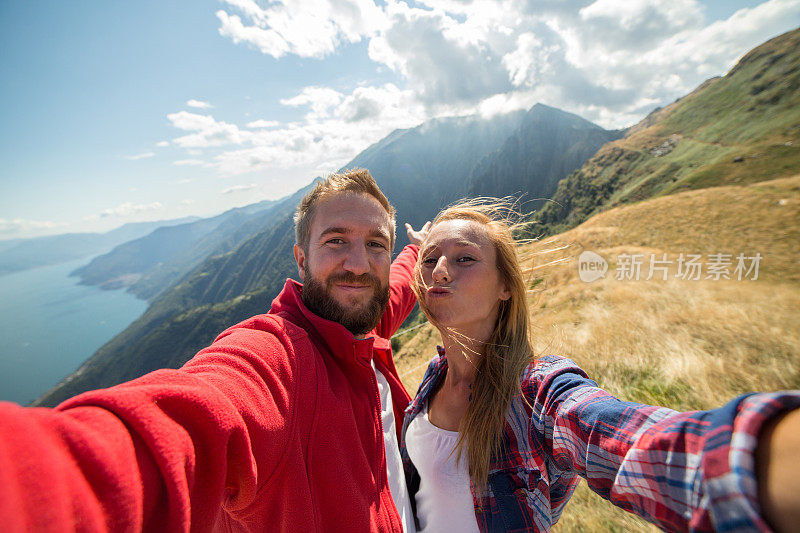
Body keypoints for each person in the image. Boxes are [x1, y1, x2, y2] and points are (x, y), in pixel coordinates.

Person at [0, 168, 430, 532]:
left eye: (376, 244)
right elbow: (189, 420)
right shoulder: (279, 359)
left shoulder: (363, 323)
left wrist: (415, 248)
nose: (358, 263)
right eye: (336, 241)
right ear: (301, 259)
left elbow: (395, 286)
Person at [400, 199, 800, 533]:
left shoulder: (536, 390)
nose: (441, 270)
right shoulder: (434, 375)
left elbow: (616, 434)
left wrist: (745, 462)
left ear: (506, 287)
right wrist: (415, 247)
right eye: (431, 259)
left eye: (465, 258)